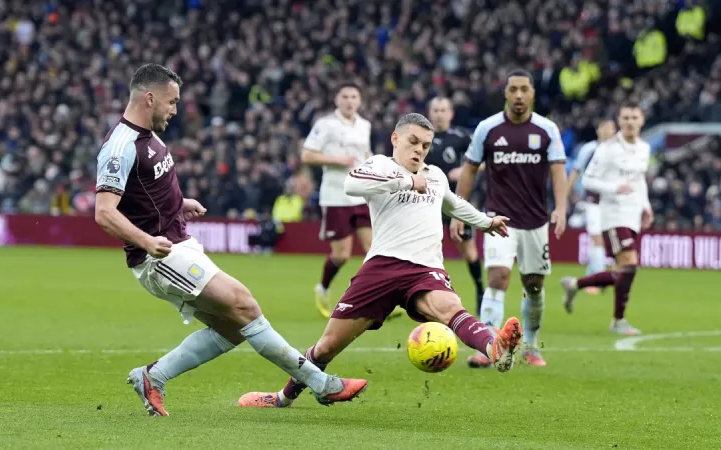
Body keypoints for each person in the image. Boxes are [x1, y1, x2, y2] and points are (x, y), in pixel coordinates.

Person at [93, 63, 367, 416]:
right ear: (150, 98)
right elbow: (104, 212)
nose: (175, 110)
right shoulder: (120, 145)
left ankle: (153, 376)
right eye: (172, 102)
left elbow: (149, 190)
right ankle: (321, 384)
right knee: (244, 304)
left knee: (236, 327)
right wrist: (146, 241)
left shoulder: (151, 136)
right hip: (158, 256)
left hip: (178, 242)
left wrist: (180, 203)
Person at [237, 113, 523, 409]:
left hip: (425, 269)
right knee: (327, 347)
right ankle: (283, 398)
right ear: (395, 139)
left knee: (451, 308)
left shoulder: (435, 175)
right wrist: (406, 181)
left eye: (425, 145)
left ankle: (494, 348)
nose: (419, 150)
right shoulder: (380, 165)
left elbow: (452, 203)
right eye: (413, 142)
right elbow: (352, 185)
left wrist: (486, 222)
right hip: (381, 268)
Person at [453, 69, 568, 368]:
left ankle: (530, 344)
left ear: (532, 93)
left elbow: (558, 170)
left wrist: (562, 208)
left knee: (533, 285)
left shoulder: (546, 130)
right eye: (513, 90)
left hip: (535, 221)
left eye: (524, 90)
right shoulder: (487, 129)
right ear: (505, 92)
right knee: (498, 277)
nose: (518, 95)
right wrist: (458, 211)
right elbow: (469, 169)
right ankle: (488, 345)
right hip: (497, 219)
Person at [561, 103, 653, 336]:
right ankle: (618, 320)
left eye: (634, 117)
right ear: (619, 122)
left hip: (632, 215)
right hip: (613, 215)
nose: (630, 122)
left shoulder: (644, 148)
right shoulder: (607, 149)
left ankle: (575, 284)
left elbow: (640, 181)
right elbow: (589, 180)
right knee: (630, 262)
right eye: (625, 118)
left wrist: (646, 207)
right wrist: (614, 188)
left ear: (642, 120)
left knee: (625, 269)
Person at [301, 83, 376, 318]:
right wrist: (337, 160)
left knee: (374, 250)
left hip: (362, 194)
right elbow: (307, 154)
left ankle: (375, 298)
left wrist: (375, 166)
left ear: (360, 100)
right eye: (345, 96)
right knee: (342, 254)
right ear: (337, 99)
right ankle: (322, 287)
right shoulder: (325, 125)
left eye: (354, 96)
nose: (350, 101)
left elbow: (365, 154)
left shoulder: (365, 125)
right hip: (336, 196)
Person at [426, 96, 486, 312]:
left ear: (451, 114)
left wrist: (464, 171)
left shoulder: (461, 137)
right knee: (427, 249)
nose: (440, 114)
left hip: (455, 202)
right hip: (427, 202)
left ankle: (480, 289)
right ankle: (430, 293)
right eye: (436, 110)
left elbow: (483, 161)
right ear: (429, 113)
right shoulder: (421, 137)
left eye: (444, 110)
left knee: (468, 250)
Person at [567, 119, 617, 293]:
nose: (608, 130)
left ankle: (592, 273)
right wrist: (565, 196)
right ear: (598, 130)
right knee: (597, 238)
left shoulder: (618, 150)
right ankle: (598, 280)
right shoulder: (588, 149)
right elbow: (575, 171)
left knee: (606, 240)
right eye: (604, 127)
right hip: (593, 202)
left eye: (611, 128)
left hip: (612, 202)